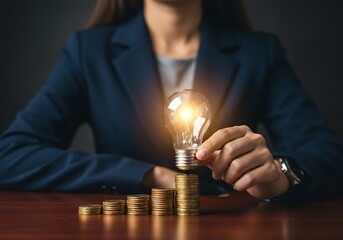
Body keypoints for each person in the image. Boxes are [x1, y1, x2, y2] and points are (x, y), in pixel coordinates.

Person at [0, 0, 342, 201]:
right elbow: (11, 154)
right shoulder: (89, 52)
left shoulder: (259, 53)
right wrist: (148, 175)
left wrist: (281, 174)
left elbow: (327, 152)